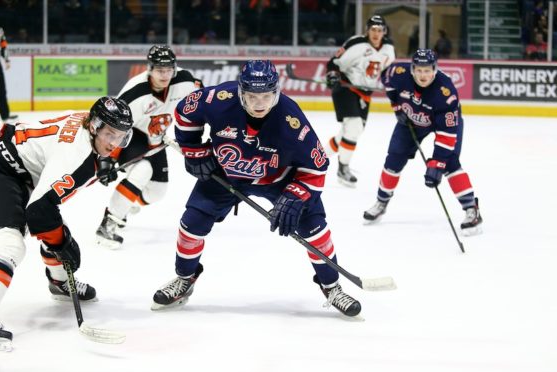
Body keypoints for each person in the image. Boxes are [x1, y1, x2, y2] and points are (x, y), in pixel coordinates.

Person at [152, 59, 361, 317]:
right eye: (251, 97)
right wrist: (193, 150)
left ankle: (332, 287)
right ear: (240, 92)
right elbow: (185, 111)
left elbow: (316, 167)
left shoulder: (290, 119)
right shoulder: (219, 98)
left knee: (314, 230)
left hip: (279, 180)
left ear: (276, 93)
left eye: (266, 96)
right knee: (191, 223)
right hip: (226, 173)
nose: (259, 104)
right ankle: (185, 279)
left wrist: (295, 197)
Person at [0, 96, 134, 350]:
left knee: (53, 229)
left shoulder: (87, 127)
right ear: (95, 126)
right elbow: (38, 213)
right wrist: (61, 242)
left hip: (18, 171)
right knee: (12, 243)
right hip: (0, 173)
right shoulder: (76, 156)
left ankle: (60, 282)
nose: (114, 143)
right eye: (110, 134)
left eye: (120, 136)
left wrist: (103, 162)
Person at [362, 49, 483, 236]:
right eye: (419, 70)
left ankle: (471, 210)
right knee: (393, 159)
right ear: (412, 69)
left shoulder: (445, 92)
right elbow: (388, 83)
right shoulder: (398, 74)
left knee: (450, 162)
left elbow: (447, 135)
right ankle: (381, 202)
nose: (423, 75)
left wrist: (437, 163)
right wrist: (397, 108)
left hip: (442, 125)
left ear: (434, 69)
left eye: (427, 70)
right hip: (412, 119)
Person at [95, 45, 201, 249]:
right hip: (130, 135)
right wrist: (105, 158)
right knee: (142, 170)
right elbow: (111, 127)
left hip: (156, 138)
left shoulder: (185, 81)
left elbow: (204, 100)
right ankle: (109, 223)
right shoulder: (135, 92)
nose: (165, 74)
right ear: (150, 68)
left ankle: (125, 204)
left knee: (157, 192)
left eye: (169, 69)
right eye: (160, 70)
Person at [325, 14, 395, 187]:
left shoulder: (388, 48)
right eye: (373, 29)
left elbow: (385, 70)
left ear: (384, 32)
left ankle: (319, 157)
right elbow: (334, 63)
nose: (376, 33)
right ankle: (343, 169)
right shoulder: (356, 44)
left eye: (379, 30)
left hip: (365, 93)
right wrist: (333, 75)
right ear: (367, 30)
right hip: (346, 87)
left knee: (349, 133)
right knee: (354, 127)